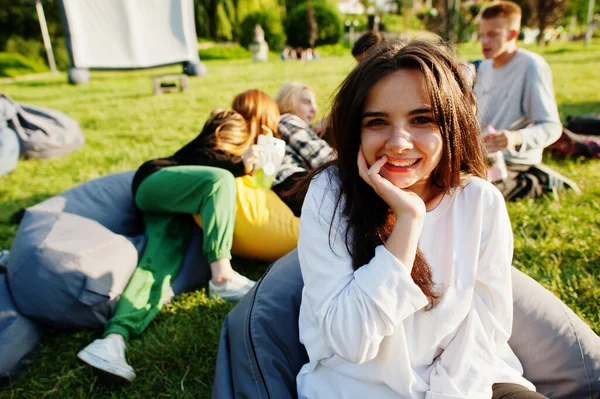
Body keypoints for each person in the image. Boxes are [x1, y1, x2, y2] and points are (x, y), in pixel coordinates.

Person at [296, 40, 545, 398]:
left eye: (422, 119)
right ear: (356, 130)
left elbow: (485, 329)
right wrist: (409, 221)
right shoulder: (330, 194)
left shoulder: (480, 201)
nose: (398, 143)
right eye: (377, 122)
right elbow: (351, 341)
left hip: (466, 383)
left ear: (451, 125)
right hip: (356, 388)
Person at [77, 109, 259, 383]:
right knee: (219, 181)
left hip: (172, 210)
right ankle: (222, 276)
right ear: (227, 136)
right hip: (152, 183)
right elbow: (212, 171)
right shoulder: (201, 150)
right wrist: (241, 164)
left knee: (158, 265)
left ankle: (112, 340)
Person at [474, 1, 574, 201]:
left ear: (512, 34)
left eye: (493, 34)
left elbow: (552, 127)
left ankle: (537, 182)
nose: (484, 41)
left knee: (480, 194)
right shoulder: (484, 67)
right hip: (484, 158)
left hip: (515, 161)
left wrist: (516, 137)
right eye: (482, 34)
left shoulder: (531, 66)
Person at [272, 82, 335, 216]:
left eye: (314, 104)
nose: (313, 109)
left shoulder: (294, 125)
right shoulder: (287, 120)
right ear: (288, 100)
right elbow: (323, 158)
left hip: (297, 184)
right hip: (293, 183)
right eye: (306, 102)